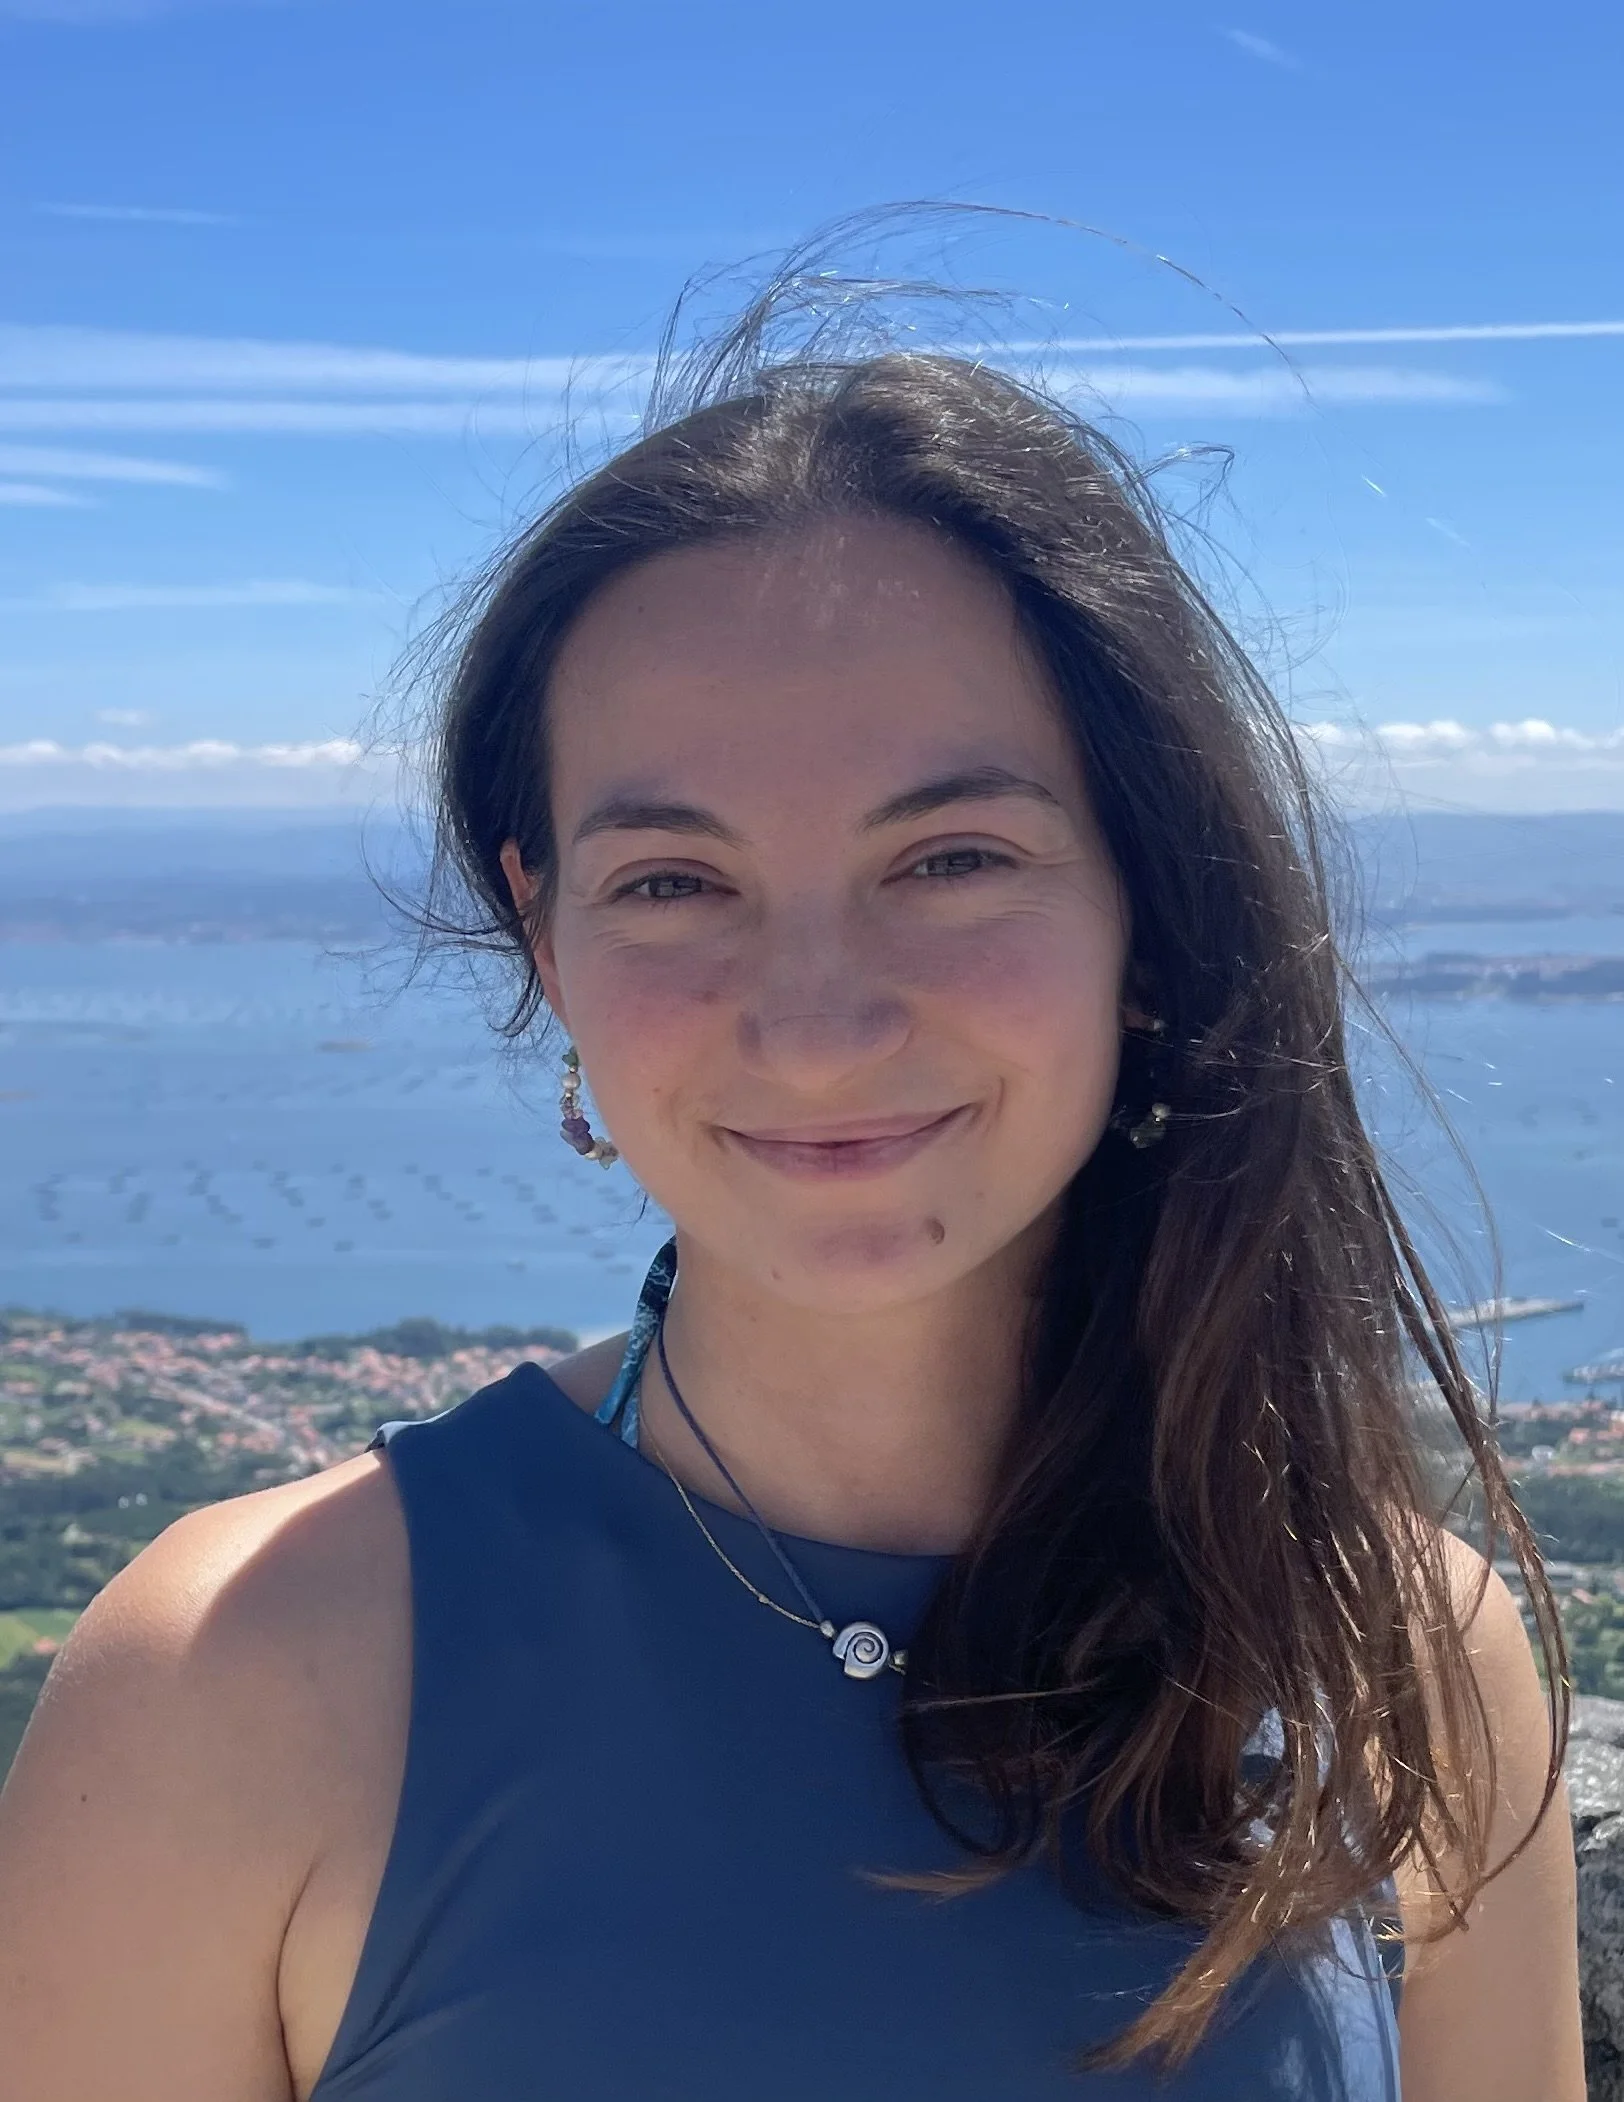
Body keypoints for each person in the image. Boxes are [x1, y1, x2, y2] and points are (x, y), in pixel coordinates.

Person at [0, 328, 1584, 2100]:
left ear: (1151, 898)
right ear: (547, 937)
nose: (817, 1025)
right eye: (673, 880)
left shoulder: (1397, 1649)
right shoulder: (232, 1680)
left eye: (952, 857)